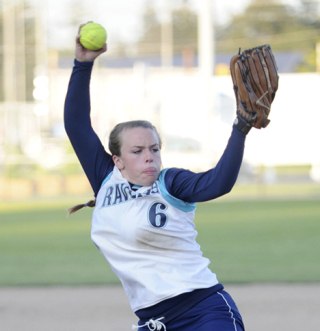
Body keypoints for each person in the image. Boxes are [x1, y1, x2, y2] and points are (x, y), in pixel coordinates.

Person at [64, 25, 250, 331]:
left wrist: (240, 128)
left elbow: (219, 183)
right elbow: (76, 124)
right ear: (117, 160)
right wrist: (82, 65)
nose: (149, 156)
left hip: (204, 309)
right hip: (152, 322)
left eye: (154, 148)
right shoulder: (106, 180)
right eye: (137, 150)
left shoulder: (171, 184)